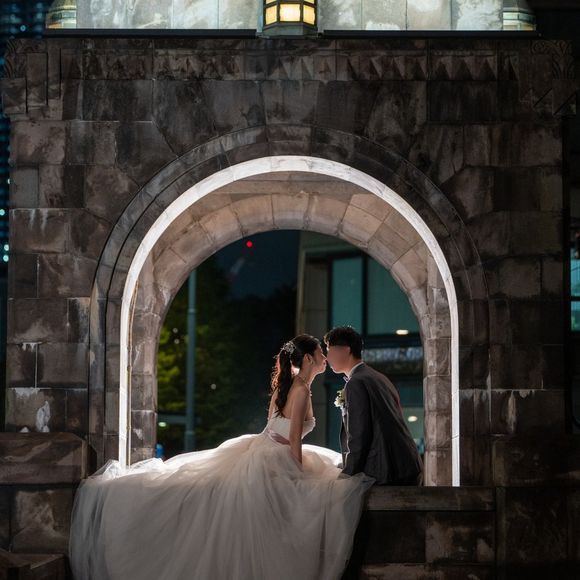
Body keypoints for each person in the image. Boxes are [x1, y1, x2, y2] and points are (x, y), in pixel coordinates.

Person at [69, 334, 375, 580]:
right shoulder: (302, 390)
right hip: (276, 454)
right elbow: (293, 438)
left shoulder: (287, 387)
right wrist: (296, 472)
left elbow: (272, 428)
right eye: (321, 353)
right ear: (308, 359)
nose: (325, 357)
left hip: (263, 448)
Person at [324, 326, 423, 486]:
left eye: (330, 351)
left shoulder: (356, 382)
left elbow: (359, 434)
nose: (327, 357)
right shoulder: (378, 377)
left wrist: (347, 475)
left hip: (386, 470)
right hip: (405, 464)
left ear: (346, 350)